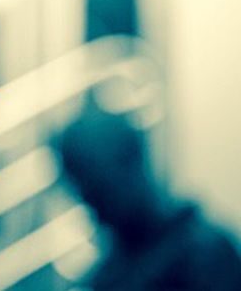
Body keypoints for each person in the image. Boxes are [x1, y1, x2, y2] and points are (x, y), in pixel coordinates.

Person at [54, 107, 241, 290]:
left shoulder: (207, 252)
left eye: (98, 190)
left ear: (130, 164)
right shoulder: (107, 278)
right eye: (83, 193)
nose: (90, 205)